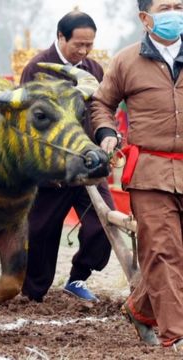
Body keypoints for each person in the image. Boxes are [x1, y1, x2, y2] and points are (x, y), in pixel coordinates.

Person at [91, 0, 183, 350]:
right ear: (146, 18)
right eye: (166, 6)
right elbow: (101, 103)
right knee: (162, 251)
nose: (174, 13)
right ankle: (175, 334)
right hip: (150, 171)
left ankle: (141, 310)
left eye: (179, 5)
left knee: (177, 255)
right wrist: (106, 132)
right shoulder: (127, 60)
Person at [19, 11, 113, 303]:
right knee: (40, 233)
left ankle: (78, 277)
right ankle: (32, 293)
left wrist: (106, 136)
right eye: (78, 45)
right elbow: (28, 121)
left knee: (104, 225)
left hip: (89, 164)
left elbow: (100, 110)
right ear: (61, 37)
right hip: (53, 169)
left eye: (89, 45)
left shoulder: (94, 69)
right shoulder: (37, 69)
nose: (84, 51)